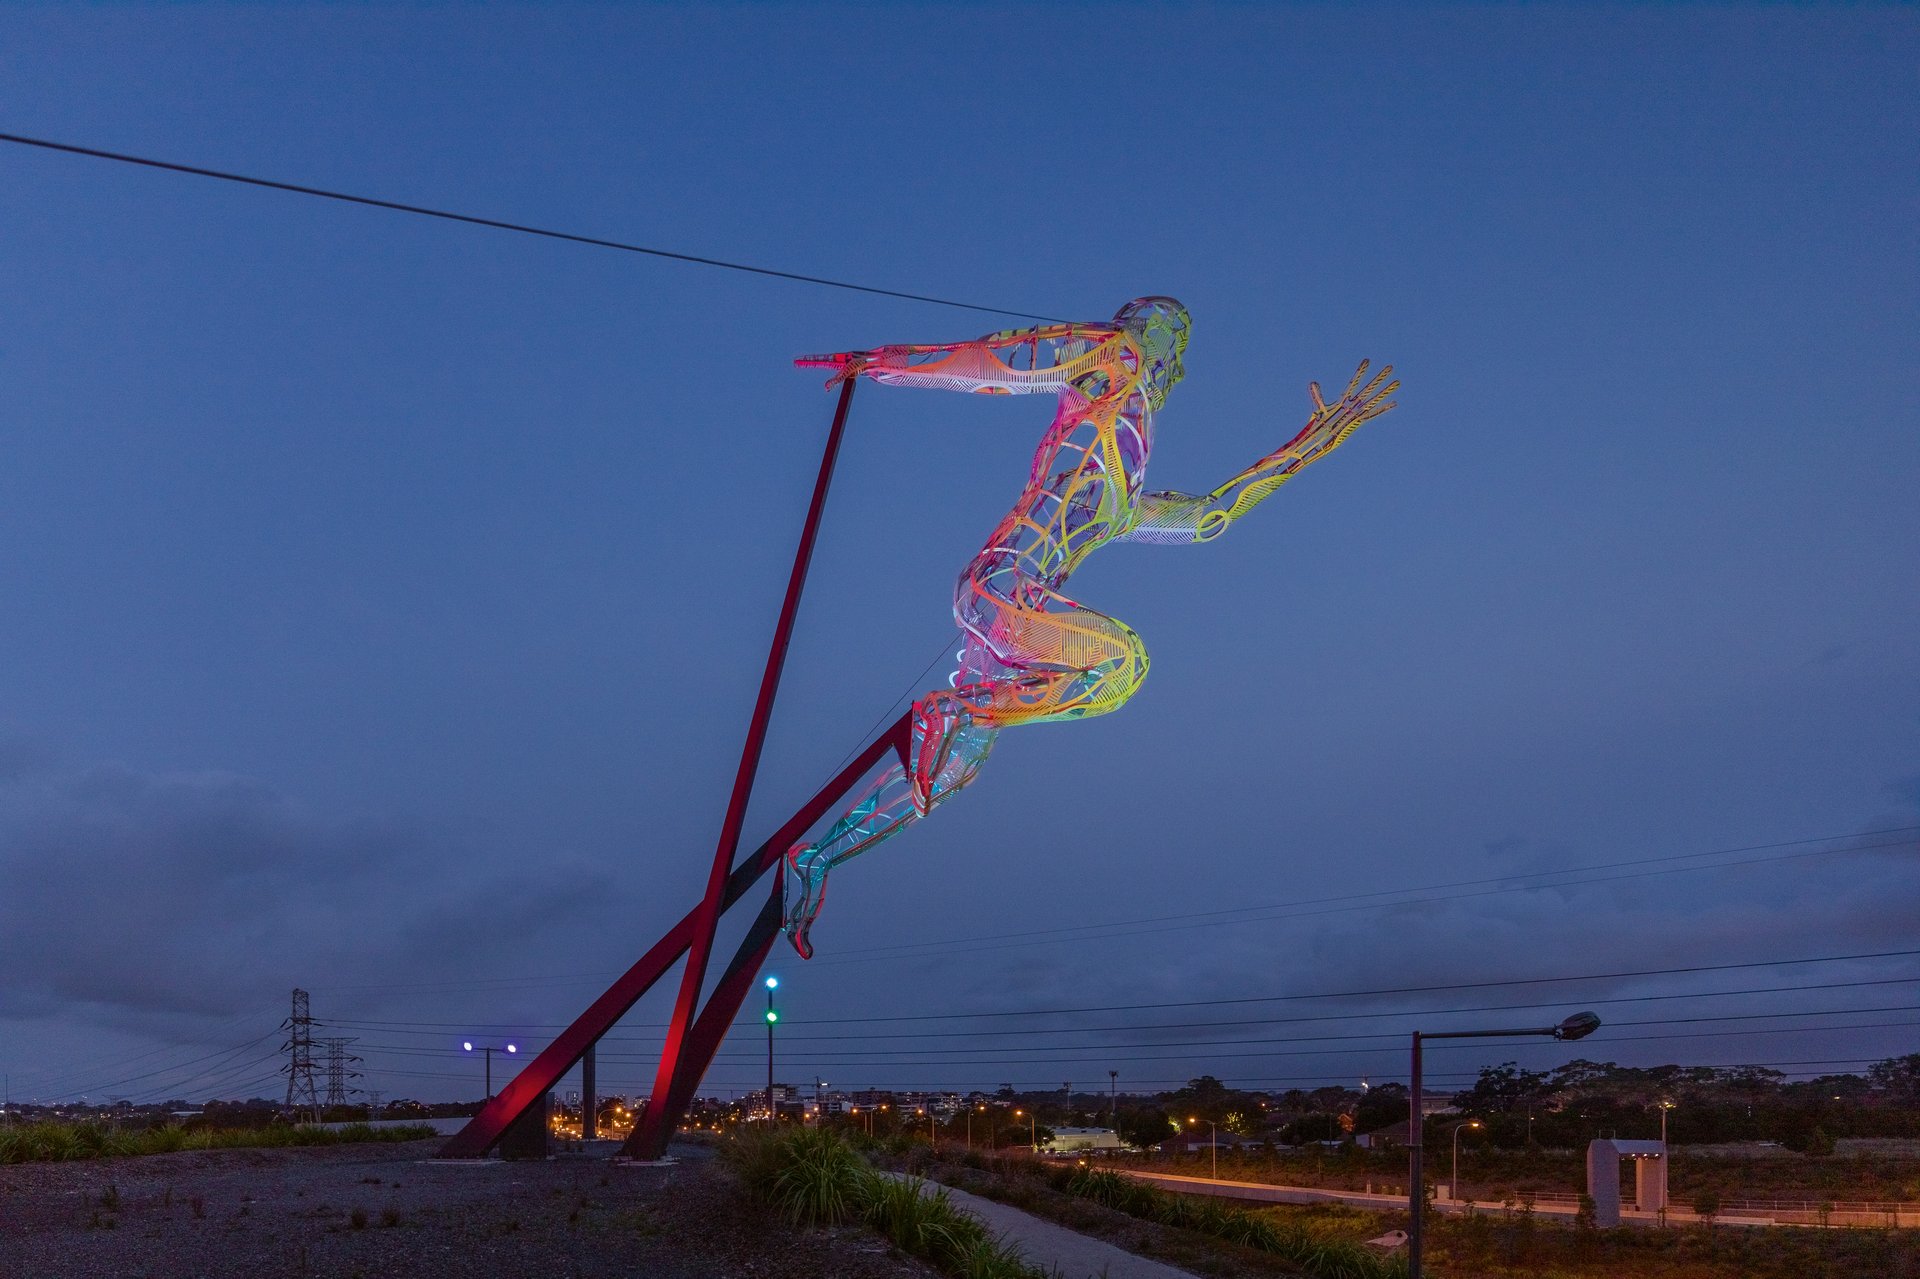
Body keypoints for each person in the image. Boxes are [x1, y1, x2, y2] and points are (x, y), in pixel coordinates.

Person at [783, 297, 1396, 957]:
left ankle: (816, 857)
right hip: (1003, 587)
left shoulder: (1122, 494)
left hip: (1014, 618)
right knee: (1122, 662)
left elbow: (1210, 516)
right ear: (1140, 324)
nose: (1177, 357)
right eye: (1173, 331)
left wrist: (1313, 444)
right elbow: (997, 361)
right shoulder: (1113, 356)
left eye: (1180, 344)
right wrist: (879, 364)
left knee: (955, 771)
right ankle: (954, 707)